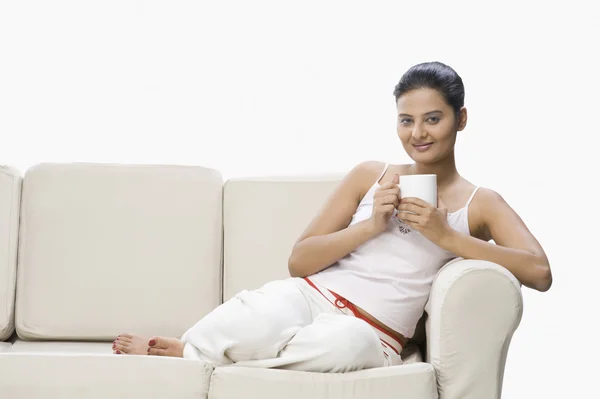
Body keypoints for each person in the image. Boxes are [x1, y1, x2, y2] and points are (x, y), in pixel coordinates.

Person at [112, 61, 552, 371]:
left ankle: (203, 355)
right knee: (259, 310)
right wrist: (370, 226)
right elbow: (299, 262)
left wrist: (446, 236)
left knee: (347, 343)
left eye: (432, 119)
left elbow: (539, 272)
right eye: (406, 120)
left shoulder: (481, 202)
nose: (417, 134)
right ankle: (203, 352)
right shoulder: (370, 175)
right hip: (312, 297)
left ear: (461, 119)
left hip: (372, 332)